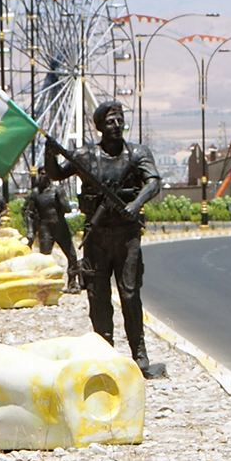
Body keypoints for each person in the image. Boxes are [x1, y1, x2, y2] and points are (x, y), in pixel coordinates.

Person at [49, 101, 163, 372]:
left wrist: (135, 205)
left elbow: (154, 181)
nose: (117, 125)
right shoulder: (87, 156)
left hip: (127, 236)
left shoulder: (137, 153)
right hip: (97, 237)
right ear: (99, 126)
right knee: (97, 296)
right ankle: (104, 350)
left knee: (130, 294)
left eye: (120, 120)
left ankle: (139, 352)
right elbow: (56, 174)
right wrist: (49, 153)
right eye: (110, 121)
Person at [24, 171, 81, 291]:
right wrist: (30, 231)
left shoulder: (57, 190)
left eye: (44, 173)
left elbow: (67, 209)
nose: (41, 176)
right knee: (44, 259)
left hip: (60, 226)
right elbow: (29, 213)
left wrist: (61, 198)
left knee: (72, 255)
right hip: (45, 227)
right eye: (40, 174)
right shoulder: (35, 193)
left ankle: (72, 282)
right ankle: (45, 285)